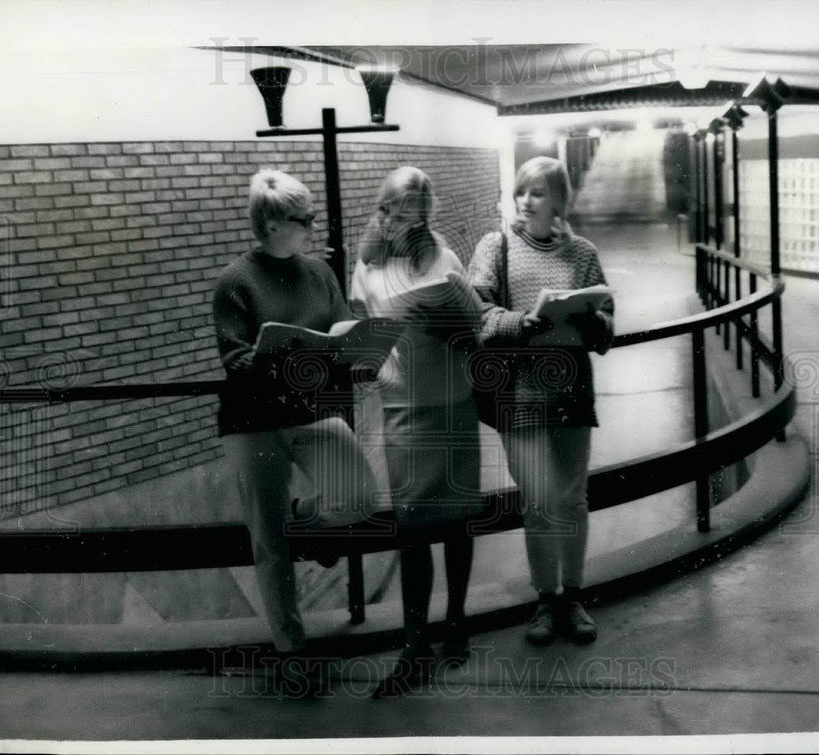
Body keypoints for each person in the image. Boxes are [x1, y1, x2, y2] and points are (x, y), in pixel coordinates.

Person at [212, 169, 376, 692]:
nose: (311, 225)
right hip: (253, 420)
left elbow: (342, 330)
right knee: (270, 542)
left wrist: (354, 350)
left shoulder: (321, 273)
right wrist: (278, 355)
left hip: (311, 410)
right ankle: (291, 651)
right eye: (302, 218)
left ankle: (306, 515)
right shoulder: (235, 282)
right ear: (273, 222)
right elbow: (235, 359)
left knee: (359, 498)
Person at [468, 156, 614, 647]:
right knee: (539, 500)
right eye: (522, 192)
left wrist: (590, 318)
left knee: (572, 498)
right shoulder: (497, 247)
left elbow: (606, 323)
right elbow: (476, 314)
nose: (526, 201)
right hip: (521, 388)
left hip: (571, 384)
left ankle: (572, 596)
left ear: (558, 201)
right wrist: (518, 323)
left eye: (537, 193)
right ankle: (544, 600)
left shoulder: (583, 253)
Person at [351, 167, 483, 697]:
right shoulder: (366, 268)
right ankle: (413, 646)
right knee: (411, 529)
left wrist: (451, 327)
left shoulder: (444, 258)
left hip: (453, 400)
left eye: (420, 219)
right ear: (383, 213)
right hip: (403, 405)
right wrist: (363, 343)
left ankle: (456, 622)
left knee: (457, 520)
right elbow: (359, 332)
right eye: (403, 218)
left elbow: (472, 327)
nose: (412, 228)